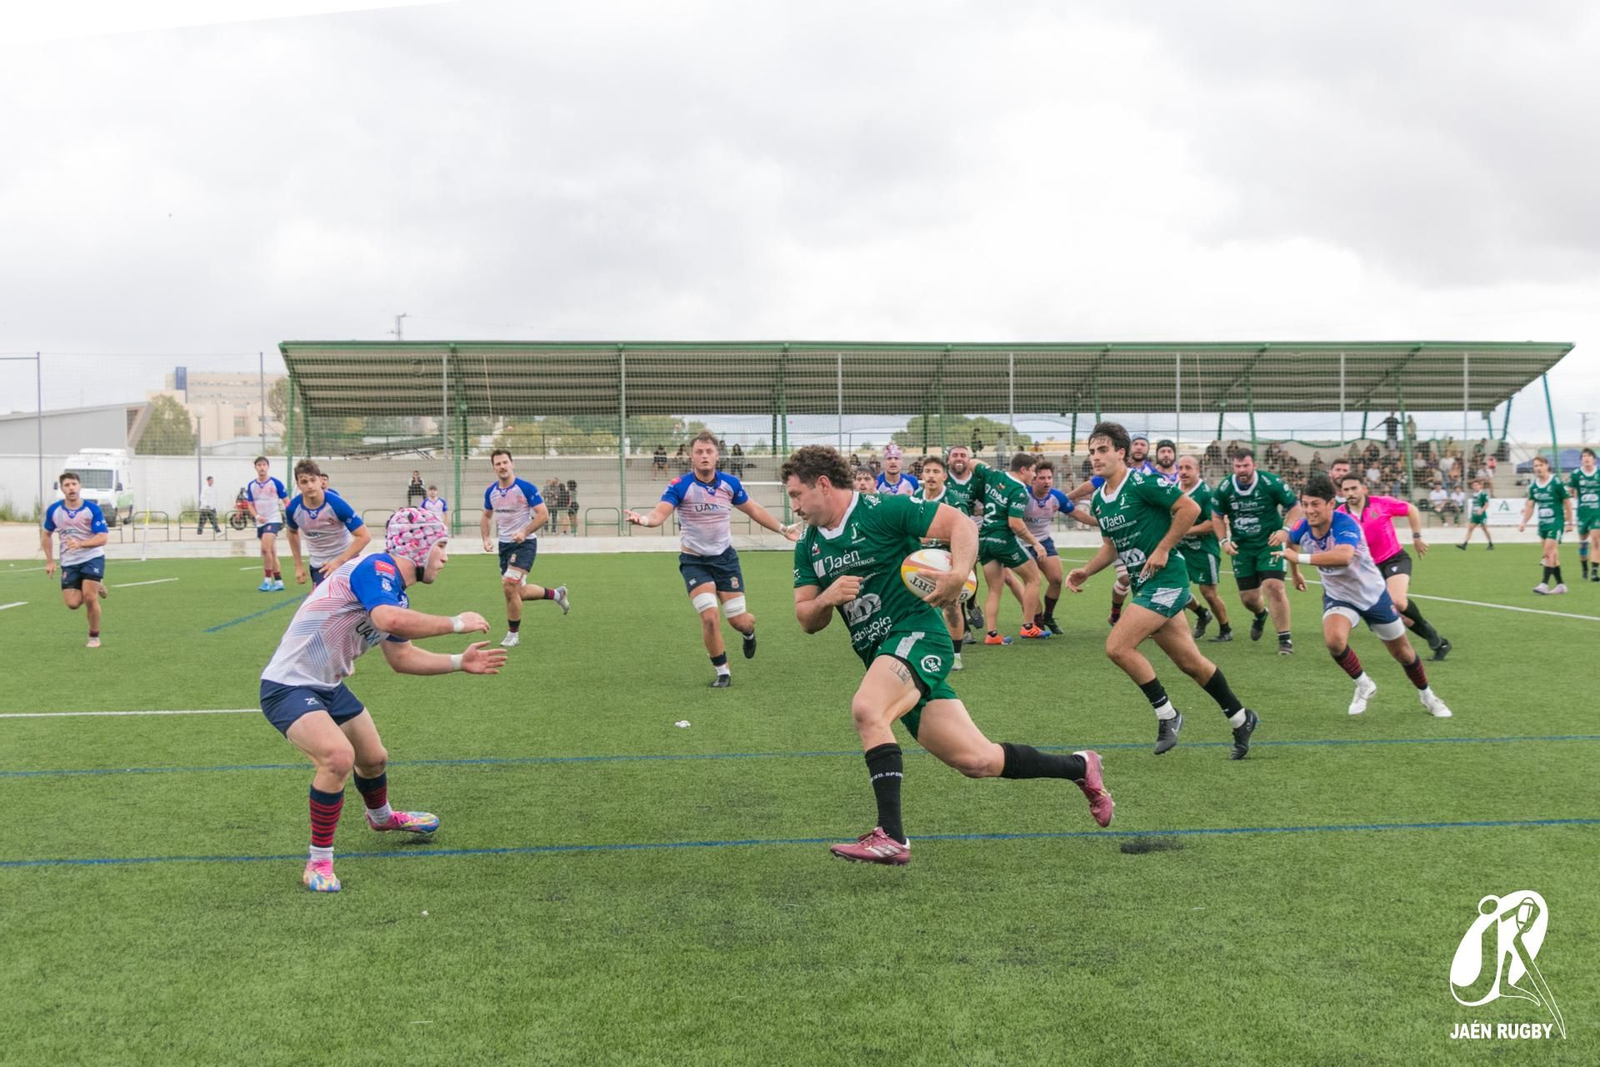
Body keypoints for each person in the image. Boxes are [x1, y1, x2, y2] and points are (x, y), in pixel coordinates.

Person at [784, 445, 1113, 865]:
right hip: (883, 657)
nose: (793, 506)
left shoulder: (882, 510)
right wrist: (827, 599)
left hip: (916, 635)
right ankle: (1080, 767)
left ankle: (891, 836)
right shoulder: (808, 545)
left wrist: (959, 574)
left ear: (823, 485)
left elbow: (959, 523)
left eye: (796, 495)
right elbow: (806, 619)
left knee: (868, 710)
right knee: (978, 760)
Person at [259, 507, 508, 892]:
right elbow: (388, 621)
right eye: (440, 545)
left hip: (326, 686)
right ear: (418, 546)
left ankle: (381, 817)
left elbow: (402, 658)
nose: (445, 556)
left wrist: (460, 662)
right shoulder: (376, 569)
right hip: (287, 686)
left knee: (373, 759)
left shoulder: (394, 594)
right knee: (338, 757)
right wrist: (457, 623)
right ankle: (318, 862)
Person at [1066, 423, 1260, 757]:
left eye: (1102, 450)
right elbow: (1111, 548)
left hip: (1167, 580)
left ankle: (1167, 715)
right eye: (1092, 452)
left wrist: (1164, 547)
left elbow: (1190, 508)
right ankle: (1241, 718)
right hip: (1144, 584)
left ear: (1121, 452)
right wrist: (1086, 570)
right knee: (1191, 663)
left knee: (1117, 646)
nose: (1095, 457)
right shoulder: (1099, 499)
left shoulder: (1142, 481)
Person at [625, 431, 797, 687]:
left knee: (739, 620)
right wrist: (645, 520)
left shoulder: (730, 484)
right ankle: (723, 672)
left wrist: (783, 529)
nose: (704, 456)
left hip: (725, 560)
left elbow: (755, 510)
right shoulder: (680, 485)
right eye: (699, 452)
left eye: (708, 452)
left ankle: (749, 632)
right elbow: (660, 513)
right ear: (691, 456)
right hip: (694, 561)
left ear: (717, 455)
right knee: (709, 616)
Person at [1279, 476, 1453, 719]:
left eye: (1315, 504)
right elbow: (1291, 543)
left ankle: (1427, 695)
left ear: (1331, 503)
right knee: (1334, 641)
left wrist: (1300, 561)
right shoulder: (1301, 527)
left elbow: (1343, 556)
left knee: (1403, 653)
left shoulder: (1346, 523)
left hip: (1372, 595)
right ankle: (1364, 684)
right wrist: (1296, 574)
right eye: (1305, 504)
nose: (1309, 510)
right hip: (1339, 597)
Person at [1338, 475, 1451, 661]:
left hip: (1394, 559)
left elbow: (1412, 510)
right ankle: (1439, 642)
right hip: (1368, 570)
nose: (1350, 493)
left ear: (1364, 489)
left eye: (1354, 488)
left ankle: (1434, 639)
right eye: (1346, 490)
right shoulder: (1341, 514)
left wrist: (1416, 537)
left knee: (1397, 601)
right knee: (1390, 613)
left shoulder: (1381, 503)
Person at [1213, 448, 1303, 654]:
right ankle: (1261, 614)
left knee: (1274, 586)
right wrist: (1224, 541)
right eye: (1238, 466)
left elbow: (1295, 507)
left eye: (1246, 465)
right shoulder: (1226, 487)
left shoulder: (1271, 483)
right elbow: (1216, 516)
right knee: (1249, 598)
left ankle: (1285, 639)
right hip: (1241, 548)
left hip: (1268, 544)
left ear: (1255, 465)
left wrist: (1284, 530)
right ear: (1233, 467)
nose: (1242, 470)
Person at [480, 449, 569, 646]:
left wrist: (524, 532)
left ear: (512, 464)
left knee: (509, 586)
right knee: (518, 592)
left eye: (505, 462)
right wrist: (486, 538)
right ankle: (557, 594)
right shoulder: (491, 492)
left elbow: (543, 514)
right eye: (498, 463)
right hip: (504, 546)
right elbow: (486, 516)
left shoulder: (526, 488)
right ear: (493, 467)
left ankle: (513, 635)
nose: (502, 466)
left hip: (524, 544)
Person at [975, 453, 1050, 643]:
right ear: (1023, 470)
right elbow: (1015, 524)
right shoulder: (1019, 490)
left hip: (984, 539)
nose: (1034, 475)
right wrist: (1035, 543)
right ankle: (1028, 626)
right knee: (1033, 578)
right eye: (1033, 471)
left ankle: (991, 634)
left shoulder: (995, 475)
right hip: (1003, 539)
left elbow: (972, 462)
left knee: (994, 589)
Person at [41, 471, 110, 648]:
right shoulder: (54, 510)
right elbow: (47, 534)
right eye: (67, 485)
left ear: (80, 486)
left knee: (89, 597)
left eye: (74, 484)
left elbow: (102, 538)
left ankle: (94, 636)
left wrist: (81, 544)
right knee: (72, 604)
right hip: (69, 561)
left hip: (92, 557)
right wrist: (49, 560)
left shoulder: (92, 509)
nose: (71, 488)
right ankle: (96, 584)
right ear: (62, 489)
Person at [913, 455, 969, 670]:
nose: (931, 476)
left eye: (936, 472)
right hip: (919, 562)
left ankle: (955, 654)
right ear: (922, 475)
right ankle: (923, 648)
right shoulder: (915, 498)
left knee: (952, 606)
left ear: (944, 476)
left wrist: (932, 538)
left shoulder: (954, 501)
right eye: (927, 471)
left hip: (948, 561)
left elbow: (963, 535)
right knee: (918, 606)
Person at [1023, 459, 1089, 635]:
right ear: (1033, 479)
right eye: (1042, 478)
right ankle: (1036, 621)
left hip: (1044, 541)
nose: (1046, 481)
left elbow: (1077, 514)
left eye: (1049, 478)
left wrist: (1100, 523)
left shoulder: (1056, 497)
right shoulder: (1023, 495)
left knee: (1056, 579)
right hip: (1022, 542)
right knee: (1033, 581)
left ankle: (1048, 617)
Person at [285, 459, 371, 587]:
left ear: (320, 480)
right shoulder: (293, 508)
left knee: (355, 603)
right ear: (298, 484)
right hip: (320, 566)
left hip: (346, 561)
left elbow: (364, 536)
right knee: (323, 606)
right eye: (304, 482)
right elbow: (292, 532)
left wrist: (339, 561)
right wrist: (298, 565)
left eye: (313, 480)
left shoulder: (336, 504)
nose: (310, 486)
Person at [1176, 455, 1232, 642]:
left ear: (1197, 470)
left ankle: (1225, 628)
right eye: (1181, 467)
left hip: (1203, 551)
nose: (1183, 472)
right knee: (1175, 587)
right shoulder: (1173, 490)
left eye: (1188, 468)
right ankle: (1194, 620)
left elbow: (1211, 524)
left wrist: (1184, 530)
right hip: (1180, 551)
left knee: (1208, 592)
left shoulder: (1207, 493)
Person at [1520, 455, 1573, 594]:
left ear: (1547, 466)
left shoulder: (1556, 482)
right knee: (1553, 556)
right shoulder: (1533, 487)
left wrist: (1570, 522)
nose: (1538, 468)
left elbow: (1567, 502)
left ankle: (1544, 584)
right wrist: (1524, 522)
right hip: (1543, 524)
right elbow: (1530, 506)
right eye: (1535, 466)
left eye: (1540, 465)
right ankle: (1561, 585)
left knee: (1547, 552)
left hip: (1556, 522)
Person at [245, 456, 289, 591]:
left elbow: (287, 501)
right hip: (261, 522)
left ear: (268, 466)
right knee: (271, 552)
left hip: (273, 519)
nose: (262, 467)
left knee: (265, 549)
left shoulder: (276, 483)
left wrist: (291, 517)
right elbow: (250, 505)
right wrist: (257, 516)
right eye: (259, 465)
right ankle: (279, 581)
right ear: (255, 467)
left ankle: (267, 581)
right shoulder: (251, 485)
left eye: (264, 464)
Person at [1567, 448, 1600, 582]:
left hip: (1597, 511)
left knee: (1596, 540)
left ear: (1594, 459)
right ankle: (1584, 567)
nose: (1586, 459)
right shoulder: (1576, 474)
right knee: (1583, 544)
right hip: (1582, 512)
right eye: (1584, 456)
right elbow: (1571, 490)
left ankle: (1594, 572)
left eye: (1589, 456)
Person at [1456, 478, 1495, 550]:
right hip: (1474, 515)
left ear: (1480, 486)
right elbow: (1473, 505)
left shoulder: (1483, 494)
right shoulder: (1474, 495)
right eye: (1474, 485)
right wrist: (1471, 514)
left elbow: (1487, 504)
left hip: (1481, 515)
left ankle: (1491, 544)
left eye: (1477, 485)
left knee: (1485, 529)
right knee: (1470, 529)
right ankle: (1464, 544)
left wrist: (1482, 510)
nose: (1475, 486)